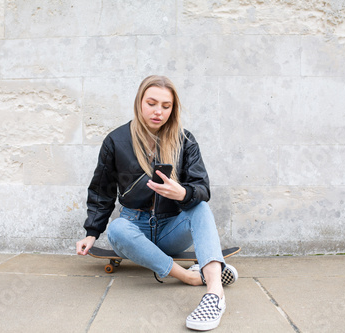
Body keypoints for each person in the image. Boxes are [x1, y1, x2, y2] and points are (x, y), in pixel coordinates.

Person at [76, 75, 238, 331]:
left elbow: (202, 188)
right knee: (117, 229)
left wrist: (182, 194)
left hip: (171, 227)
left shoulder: (185, 140)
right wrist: (92, 232)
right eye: (152, 103)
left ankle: (214, 292)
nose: (158, 111)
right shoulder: (116, 141)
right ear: (139, 102)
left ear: (173, 108)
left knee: (200, 207)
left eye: (166, 106)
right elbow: (101, 189)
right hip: (134, 226)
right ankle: (190, 275)